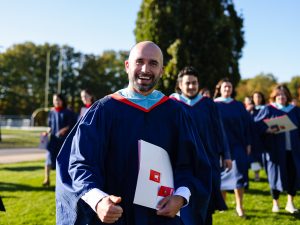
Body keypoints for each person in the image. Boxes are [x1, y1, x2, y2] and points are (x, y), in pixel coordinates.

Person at [56, 41, 211, 225]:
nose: (145, 69)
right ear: (127, 66)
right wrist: (98, 201)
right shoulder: (104, 110)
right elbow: (81, 163)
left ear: (161, 70)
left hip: (162, 217)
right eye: (139, 61)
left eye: (153, 63)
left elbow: (190, 164)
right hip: (115, 215)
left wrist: (180, 197)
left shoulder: (175, 113)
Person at [170, 66, 232, 225]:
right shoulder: (172, 105)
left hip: (208, 161)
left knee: (207, 203)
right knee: (186, 204)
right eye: (188, 83)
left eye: (194, 83)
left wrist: (226, 155)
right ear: (180, 85)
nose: (191, 86)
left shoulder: (208, 104)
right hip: (182, 162)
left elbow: (220, 131)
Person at [254, 84, 300, 214]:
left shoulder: (295, 110)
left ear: (288, 96)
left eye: (284, 95)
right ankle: (276, 203)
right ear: (274, 96)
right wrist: (267, 129)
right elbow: (257, 125)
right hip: (274, 151)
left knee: (293, 175)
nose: (281, 97)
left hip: (293, 151)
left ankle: (290, 203)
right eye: (279, 95)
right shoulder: (268, 109)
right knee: (275, 176)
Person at [213, 78, 252, 217]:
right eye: (225, 87)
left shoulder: (238, 105)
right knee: (222, 176)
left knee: (239, 176)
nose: (227, 89)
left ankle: (239, 206)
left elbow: (247, 125)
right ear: (220, 88)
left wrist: (248, 143)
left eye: (229, 87)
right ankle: (222, 203)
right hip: (220, 147)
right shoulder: (213, 104)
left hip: (237, 145)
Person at [43, 93, 75, 187]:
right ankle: (46, 179)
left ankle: (61, 182)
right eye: (54, 100)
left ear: (62, 100)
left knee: (62, 161)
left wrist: (65, 129)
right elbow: (50, 126)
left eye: (58, 99)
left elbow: (72, 125)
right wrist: (47, 132)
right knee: (48, 158)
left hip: (64, 141)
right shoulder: (51, 112)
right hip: (53, 139)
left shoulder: (68, 112)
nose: (56, 101)